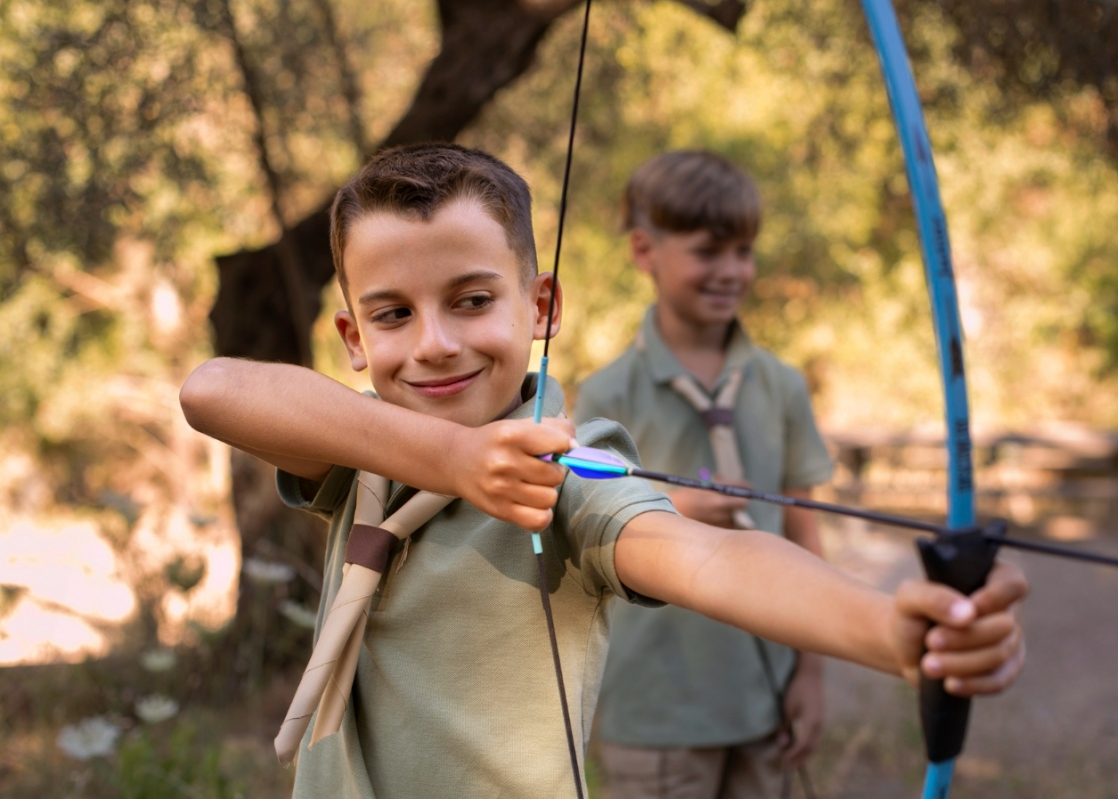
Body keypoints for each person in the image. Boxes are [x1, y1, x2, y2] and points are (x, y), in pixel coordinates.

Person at [179, 143, 1028, 799]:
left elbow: (705, 556)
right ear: (355, 339)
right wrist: (456, 458)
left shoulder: (564, 471)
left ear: (539, 306)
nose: (435, 342)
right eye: (394, 314)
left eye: (473, 300)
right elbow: (212, 389)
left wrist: (889, 630)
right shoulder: (364, 455)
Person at [573, 150, 836, 798]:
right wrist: (672, 509)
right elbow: (583, 523)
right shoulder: (610, 392)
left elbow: (804, 528)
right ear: (644, 250)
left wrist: (810, 672)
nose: (731, 271)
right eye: (708, 251)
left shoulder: (780, 384)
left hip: (766, 698)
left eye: (744, 251)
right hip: (658, 710)